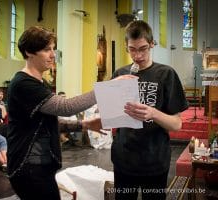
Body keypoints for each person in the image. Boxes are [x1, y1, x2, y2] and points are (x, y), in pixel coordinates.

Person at [7, 26, 131, 200]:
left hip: (39, 165)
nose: (52, 55)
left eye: (53, 49)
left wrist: (84, 124)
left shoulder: (39, 82)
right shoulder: (24, 83)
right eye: (46, 50)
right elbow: (66, 107)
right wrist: (108, 89)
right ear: (29, 52)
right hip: (28, 166)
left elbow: (46, 124)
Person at [111, 20, 189, 200]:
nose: (138, 55)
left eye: (143, 48)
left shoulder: (166, 74)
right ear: (126, 46)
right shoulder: (119, 74)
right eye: (132, 49)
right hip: (124, 159)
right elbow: (113, 117)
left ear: (152, 44)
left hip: (154, 160)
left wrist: (153, 113)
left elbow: (177, 124)